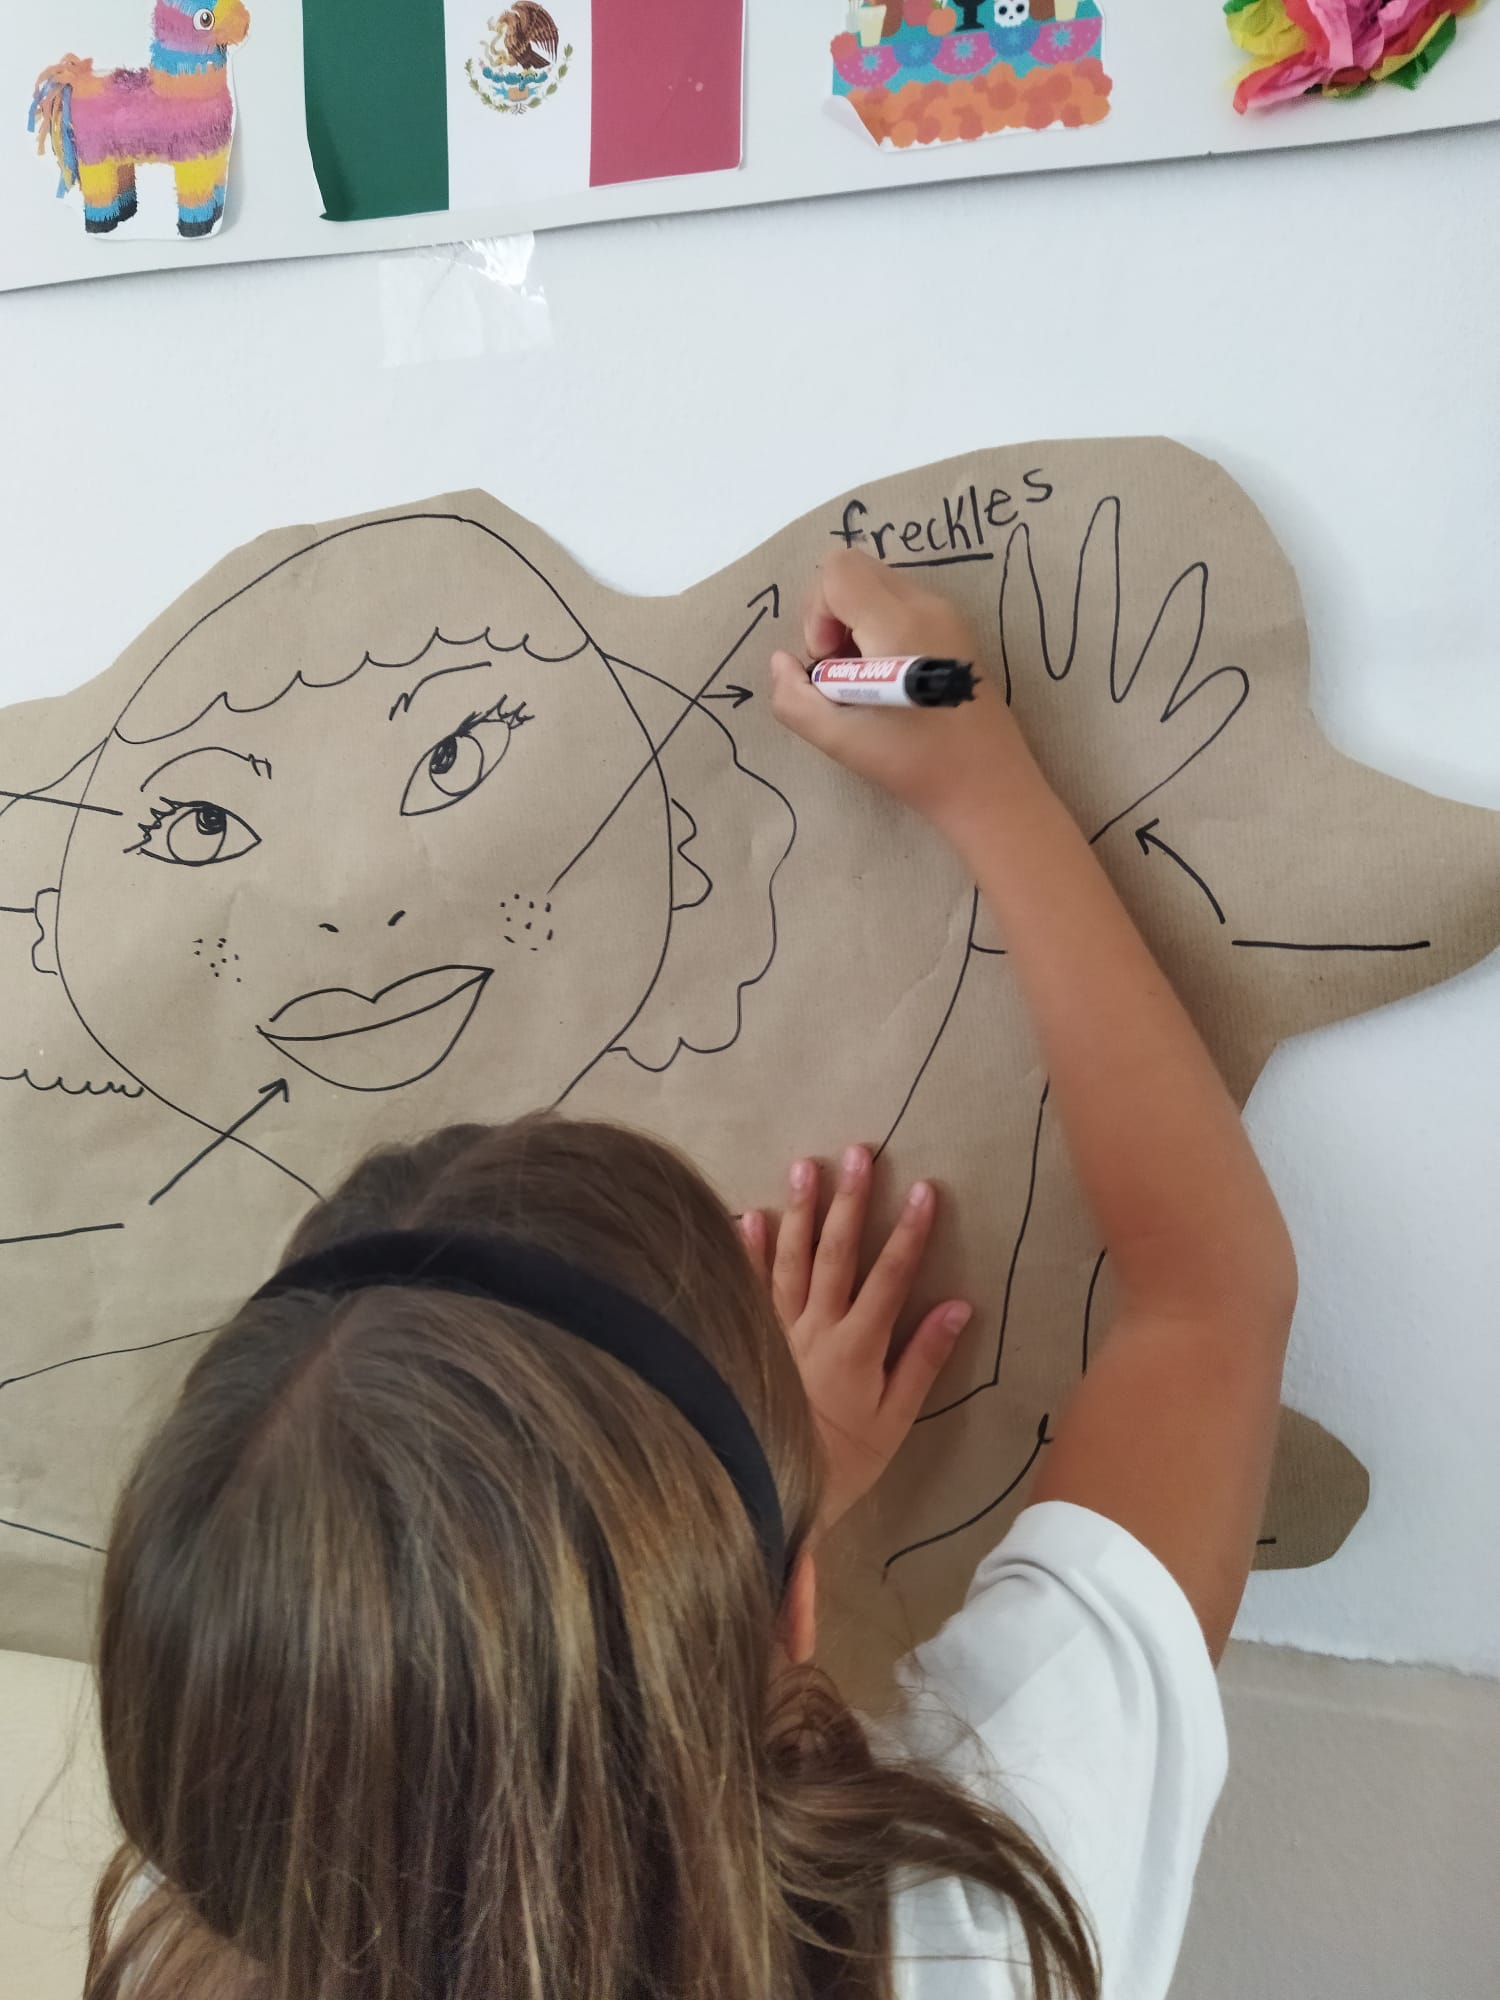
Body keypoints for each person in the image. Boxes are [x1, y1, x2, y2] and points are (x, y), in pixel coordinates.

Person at [85, 552, 1298, 2000]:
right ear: (795, 1610)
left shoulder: (213, 1914)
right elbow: (1210, 1303)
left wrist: (738, 1511)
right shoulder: (962, 1927)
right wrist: (985, 780)